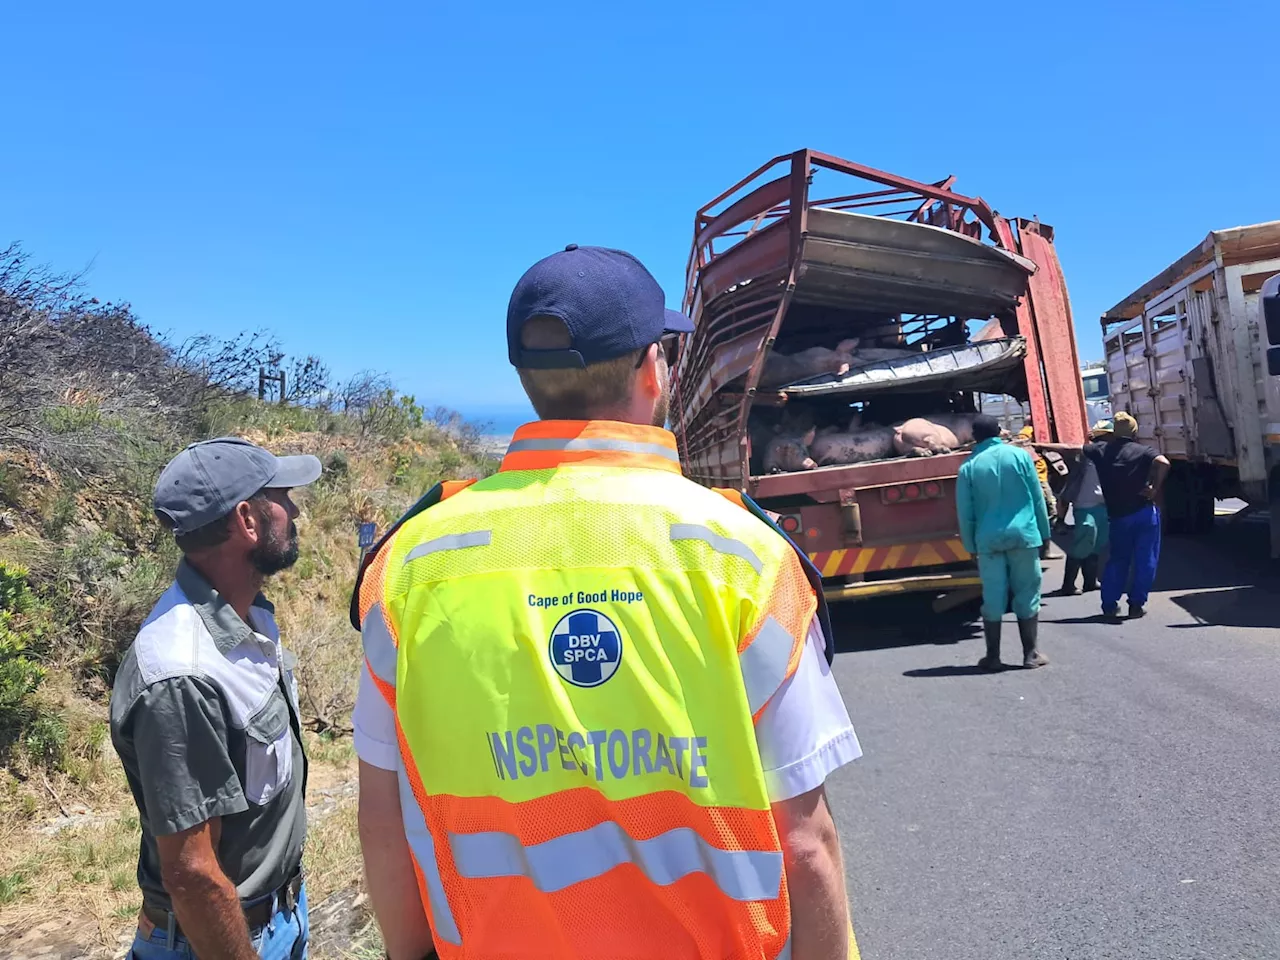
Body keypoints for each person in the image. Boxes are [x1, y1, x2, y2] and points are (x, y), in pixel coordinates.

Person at [351, 244, 860, 960]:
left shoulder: (408, 566)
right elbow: (806, 843)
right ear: (654, 368)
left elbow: (384, 818)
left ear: (526, 380)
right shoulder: (743, 556)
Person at [110, 438, 321, 960]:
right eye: (283, 497)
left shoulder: (248, 617)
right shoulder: (182, 673)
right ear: (248, 520)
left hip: (277, 918)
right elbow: (195, 877)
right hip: (222, 942)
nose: (295, 510)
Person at [1037, 411, 1170, 619]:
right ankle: (1136, 604)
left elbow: (1069, 449)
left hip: (1119, 516)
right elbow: (1164, 462)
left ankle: (1109, 604)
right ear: (1134, 431)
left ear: (1114, 432)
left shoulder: (1101, 450)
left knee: (1118, 560)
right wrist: (1154, 487)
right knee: (1147, 561)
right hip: (1144, 513)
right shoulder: (1144, 451)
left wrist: (1040, 446)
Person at [957, 414, 1051, 670]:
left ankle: (993, 656)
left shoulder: (969, 467)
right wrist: (1044, 534)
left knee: (993, 596)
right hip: (1024, 536)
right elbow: (1037, 497)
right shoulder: (1020, 457)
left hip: (988, 541)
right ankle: (1030, 654)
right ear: (999, 431)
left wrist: (970, 546)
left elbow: (966, 514)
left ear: (974, 437)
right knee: (1028, 592)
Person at [1053, 420, 1113, 596]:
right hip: (1085, 505)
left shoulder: (1111, 455)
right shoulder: (1086, 455)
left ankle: (1090, 581)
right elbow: (1067, 448)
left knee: (1097, 543)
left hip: (1102, 505)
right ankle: (1068, 585)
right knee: (1083, 540)